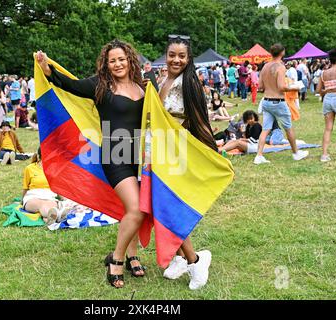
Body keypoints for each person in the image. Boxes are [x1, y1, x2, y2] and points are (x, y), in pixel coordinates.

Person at [36, 40, 147, 289]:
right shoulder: (99, 85)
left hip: (137, 156)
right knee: (136, 209)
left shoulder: (141, 86)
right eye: (112, 60)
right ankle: (116, 259)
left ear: (130, 60)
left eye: (122, 59)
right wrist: (46, 68)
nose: (118, 64)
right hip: (114, 156)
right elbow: (69, 85)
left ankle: (133, 256)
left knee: (128, 210)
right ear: (106, 65)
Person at [157, 35, 219, 290]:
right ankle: (182, 257)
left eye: (182, 56)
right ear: (166, 55)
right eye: (172, 54)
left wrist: (211, 152)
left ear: (189, 58)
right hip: (158, 151)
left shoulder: (189, 83)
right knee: (163, 206)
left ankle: (195, 261)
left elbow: (199, 119)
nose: (176, 59)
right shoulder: (165, 79)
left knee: (169, 207)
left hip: (177, 153)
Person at [254, 44, 309, 165]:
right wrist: (294, 87)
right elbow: (281, 87)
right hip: (278, 102)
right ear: (282, 53)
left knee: (266, 129)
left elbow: (261, 87)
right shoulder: (280, 67)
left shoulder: (265, 66)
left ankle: (259, 156)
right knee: (288, 128)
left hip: (266, 101)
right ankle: (296, 153)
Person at [22, 147, 68, 225]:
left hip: (49, 196)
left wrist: (63, 198)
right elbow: (25, 187)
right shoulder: (29, 168)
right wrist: (22, 200)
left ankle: (49, 220)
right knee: (41, 204)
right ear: (39, 156)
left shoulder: (54, 168)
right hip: (33, 196)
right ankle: (58, 217)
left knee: (50, 206)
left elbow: (57, 186)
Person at [317, 48, 336, 162]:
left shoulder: (324, 73)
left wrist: (328, 89)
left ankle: (324, 155)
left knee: (328, 128)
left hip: (327, 99)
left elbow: (318, 90)